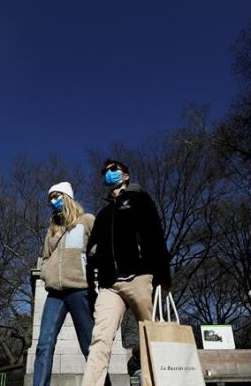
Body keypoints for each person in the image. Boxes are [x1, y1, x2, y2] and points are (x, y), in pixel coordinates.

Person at [81, 160, 171, 386]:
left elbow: (156, 236)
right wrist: (93, 288)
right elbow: (92, 252)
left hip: (140, 277)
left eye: (113, 169)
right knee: (99, 339)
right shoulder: (102, 214)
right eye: (105, 171)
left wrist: (163, 276)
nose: (108, 174)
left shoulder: (140, 199)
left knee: (152, 335)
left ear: (126, 175)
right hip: (110, 286)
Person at [33, 182, 110, 386]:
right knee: (44, 345)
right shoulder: (52, 230)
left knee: (90, 346)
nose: (52, 201)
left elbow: (102, 248)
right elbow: (46, 257)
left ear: (67, 197)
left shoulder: (87, 220)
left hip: (80, 291)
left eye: (56, 196)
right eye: (50, 198)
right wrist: (47, 275)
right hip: (55, 295)